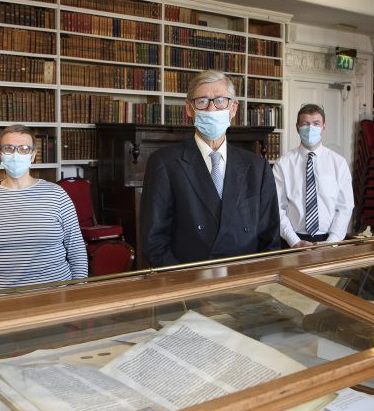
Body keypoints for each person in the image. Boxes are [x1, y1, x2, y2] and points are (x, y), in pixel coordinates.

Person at [140, 69, 281, 266]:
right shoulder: (164, 163)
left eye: (220, 100)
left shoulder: (257, 167)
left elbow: (270, 239)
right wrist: (185, 285)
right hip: (190, 284)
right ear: (189, 108)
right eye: (202, 101)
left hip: (245, 282)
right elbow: (154, 242)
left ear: (233, 108)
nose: (212, 110)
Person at [0, 124, 87, 294]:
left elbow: (77, 250)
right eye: (9, 148)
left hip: (53, 298)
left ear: (33, 155)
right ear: (0, 154)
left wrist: (79, 294)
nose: (15, 154)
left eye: (23, 149)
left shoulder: (57, 195)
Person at [273, 103, 354, 247]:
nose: (311, 128)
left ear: (324, 126)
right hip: (292, 240)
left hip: (329, 240)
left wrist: (332, 242)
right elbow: (277, 207)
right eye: (305, 124)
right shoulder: (283, 164)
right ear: (297, 127)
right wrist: (294, 241)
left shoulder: (338, 163)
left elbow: (345, 206)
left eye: (316, 123)